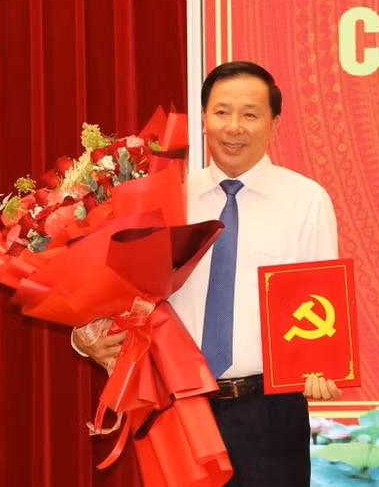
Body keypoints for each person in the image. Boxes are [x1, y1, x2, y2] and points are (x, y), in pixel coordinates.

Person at [75, 61, 341, 486]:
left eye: (250, 114)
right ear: (203, 119)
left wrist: (321, 366)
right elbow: (118, 293)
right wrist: (89, 335)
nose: (233, 126)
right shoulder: (166, 198)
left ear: (274, 123)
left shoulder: (305, 200)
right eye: (222, 112)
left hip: (268, 412)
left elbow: (322, 305)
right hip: (176, 409)